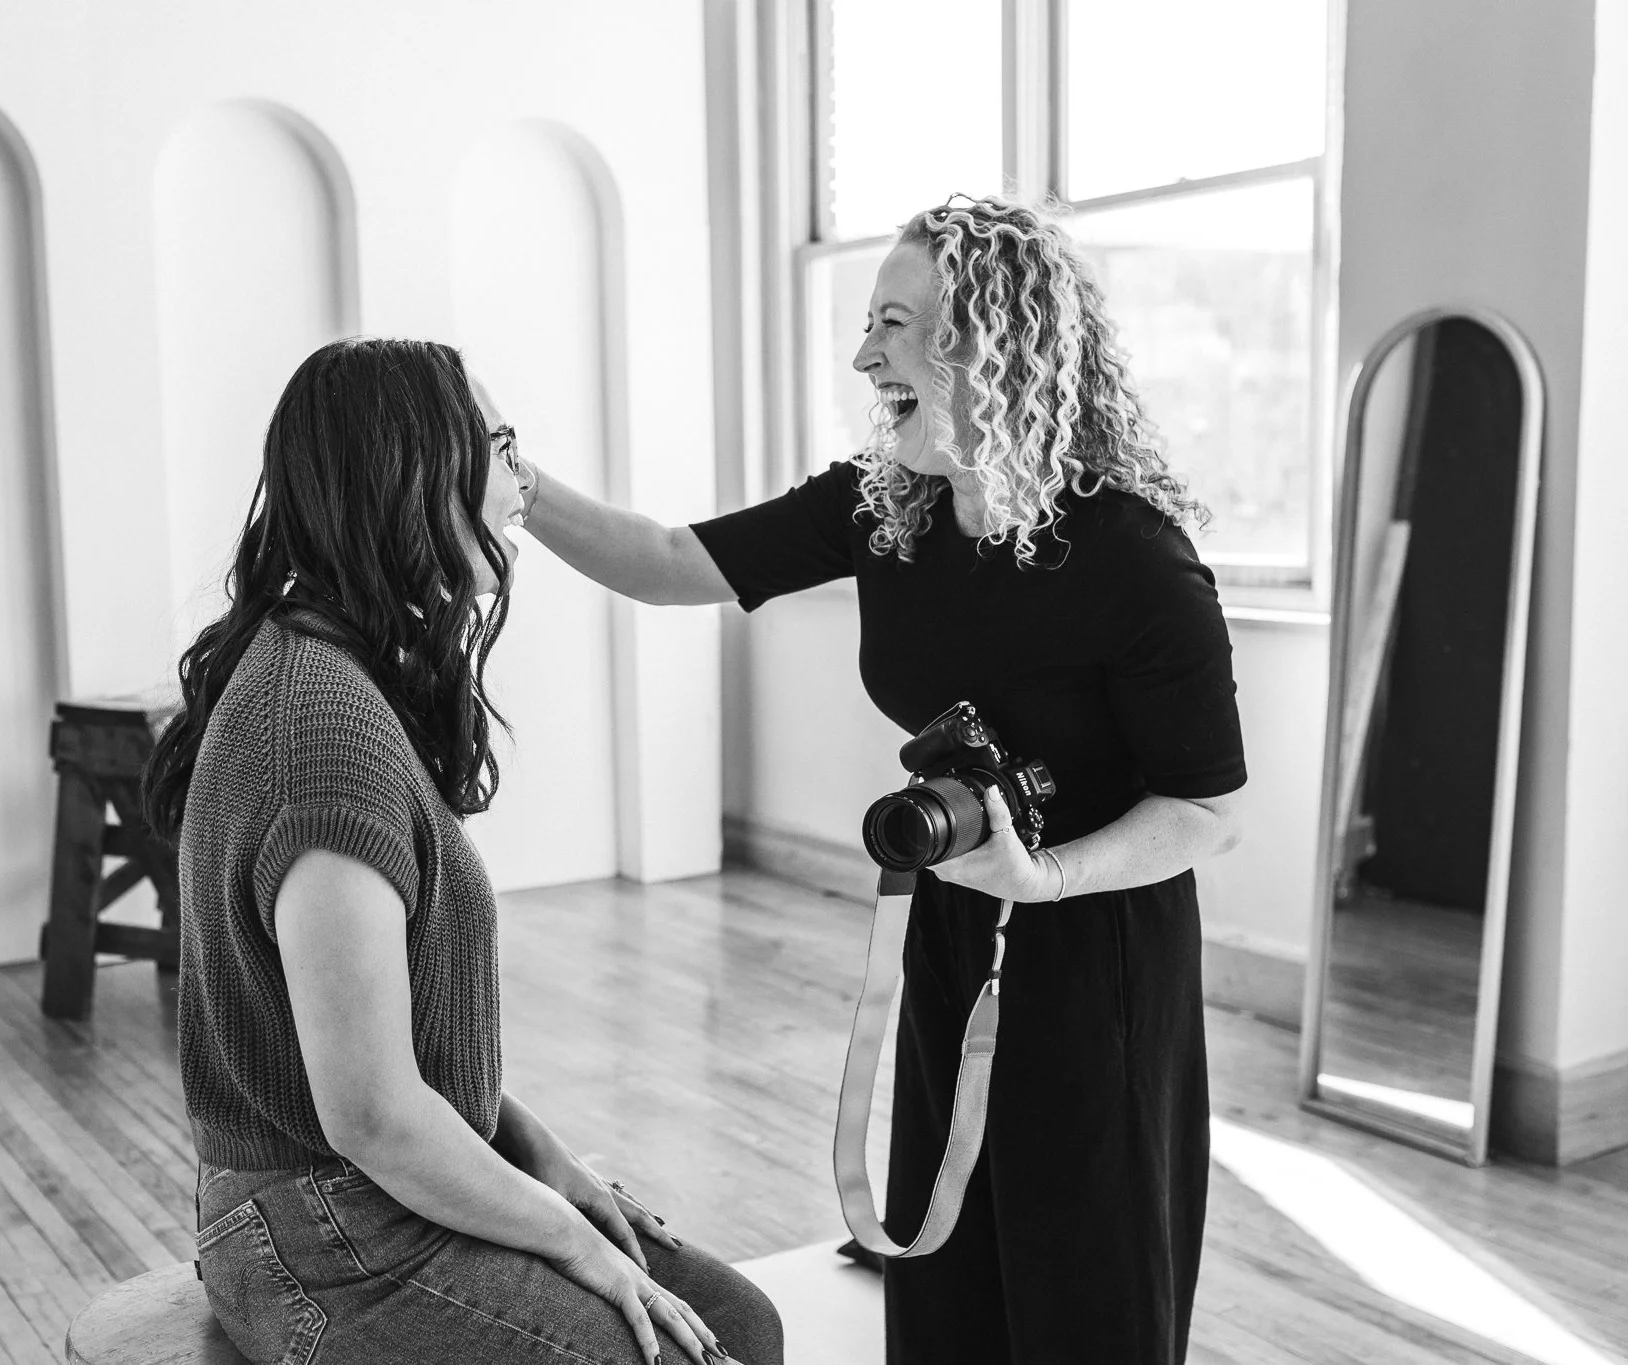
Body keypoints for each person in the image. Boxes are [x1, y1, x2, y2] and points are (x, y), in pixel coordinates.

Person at [516, 196, 1247, 1364]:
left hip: (1097, 956)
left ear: (990, 343)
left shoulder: (1133, 558)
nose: (865, 357)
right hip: (955, 928)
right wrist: (510, 476)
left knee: (1085, 1291)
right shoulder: (885, 509)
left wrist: (1044, 874)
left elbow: (1204, 809)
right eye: (869, 326)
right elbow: (661, 564)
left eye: (895, 326)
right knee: (947, 1277)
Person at [141, 337, 782, 1365]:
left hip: (367, 1195)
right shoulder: (318, 731)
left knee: (739, 1327)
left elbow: (396, 1057)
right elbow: (371, 1116)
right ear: (412, 476)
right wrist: (572, 1241)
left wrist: (544, 1159)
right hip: (319, 1238)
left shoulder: (344, 664)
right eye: (497, 445)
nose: (520, 478)